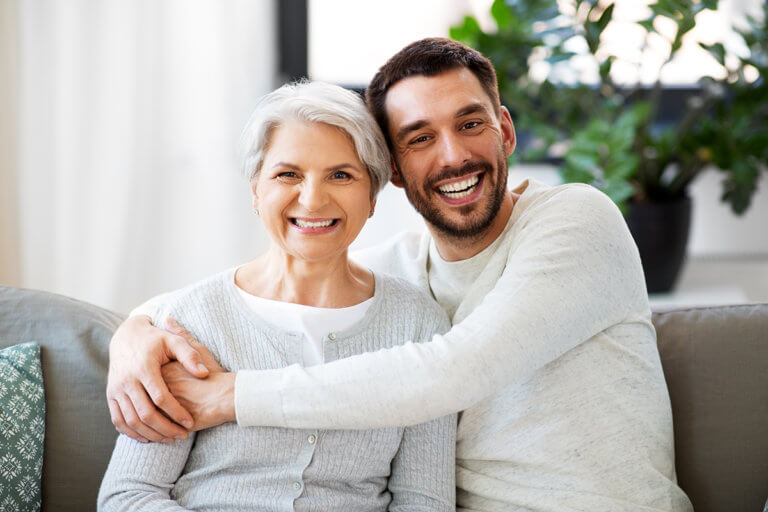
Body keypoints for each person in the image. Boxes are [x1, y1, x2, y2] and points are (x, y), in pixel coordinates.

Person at [107, 38, 694, 511]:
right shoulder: (403, 268)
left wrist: (231, 396)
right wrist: (133, 332)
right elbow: (245, 293)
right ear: (392, 171)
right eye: (419, 138)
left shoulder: (576, 219)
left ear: (506, 131)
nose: (452, 156)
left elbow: (458, 369)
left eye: (470, 124)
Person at [97, 81, 456, 511]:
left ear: (373, 195)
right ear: (256, 189)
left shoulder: (420, 327)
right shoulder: (187, 324)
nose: (313, 198)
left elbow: (425, 501)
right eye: (288, 174)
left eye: (340, 175)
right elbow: (128, 496)